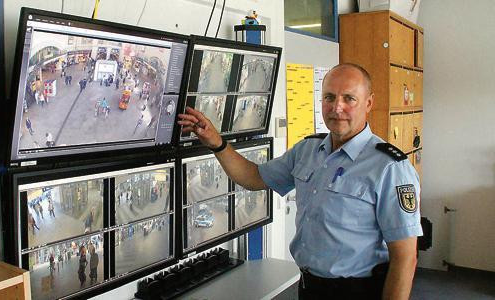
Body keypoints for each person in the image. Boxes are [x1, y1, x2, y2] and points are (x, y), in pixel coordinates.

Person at [178, 63, 422, 300]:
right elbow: (253, 178)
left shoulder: (389, 167)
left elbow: (405, 258)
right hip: (310, 287)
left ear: (369, 103)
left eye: (349, 98)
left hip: (358, 291)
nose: (337, 108)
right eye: (329, 97)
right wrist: (216, 143)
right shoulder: (308, 150)